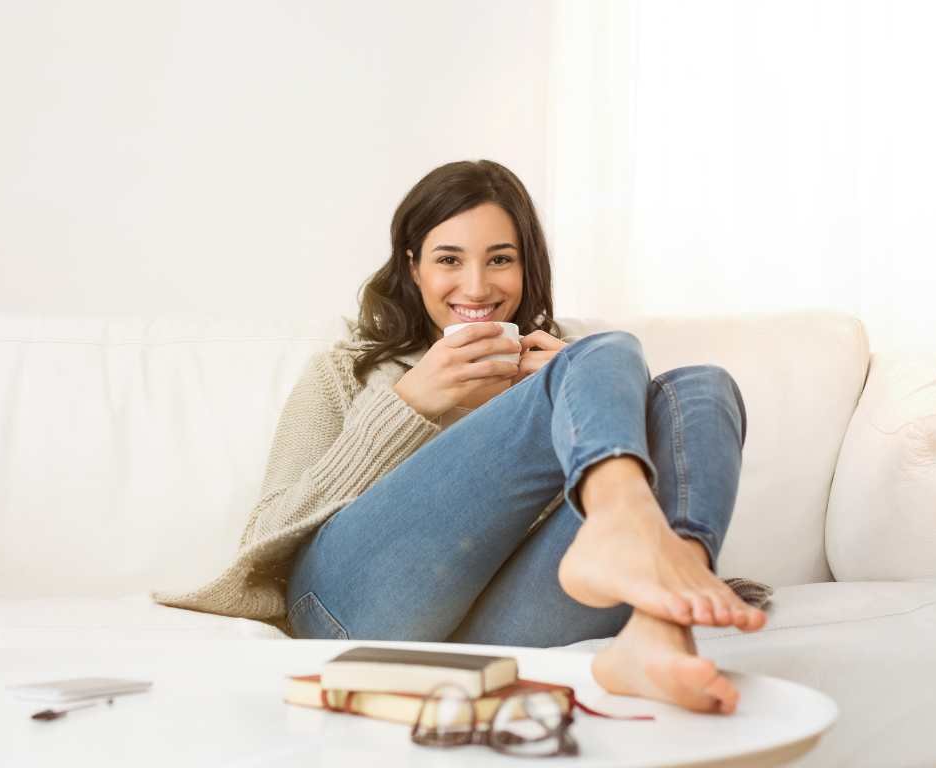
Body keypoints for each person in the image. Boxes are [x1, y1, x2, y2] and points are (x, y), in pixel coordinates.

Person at [152, 159, 771, 716]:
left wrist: (573, 387)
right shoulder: (348, 367)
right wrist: (410, 405)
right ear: (412, 266)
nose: (476, 288)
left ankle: (659, 631)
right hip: (357, 615)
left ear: (528, 267)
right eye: (449, 259)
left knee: (701, 386)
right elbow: (266, 534)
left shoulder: (567, 358)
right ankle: (624, 531)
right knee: (607, 356)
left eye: (500, 259)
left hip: (502, 626)